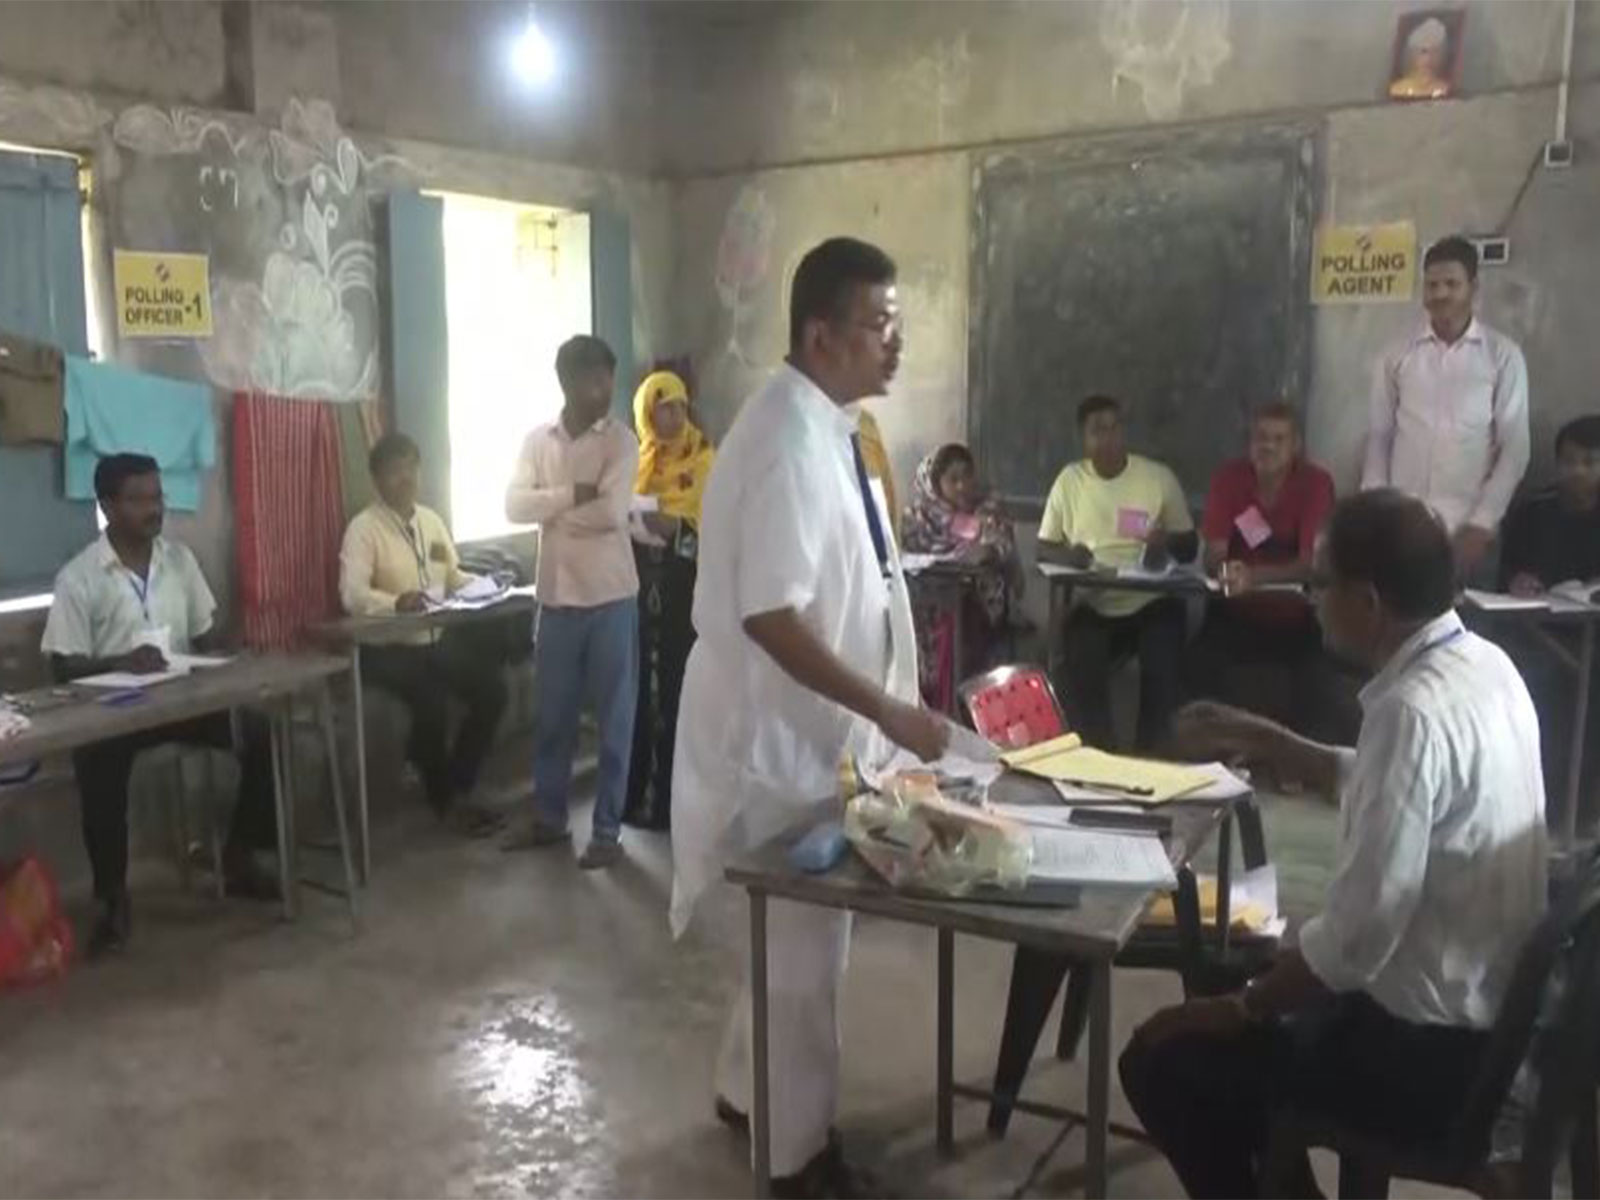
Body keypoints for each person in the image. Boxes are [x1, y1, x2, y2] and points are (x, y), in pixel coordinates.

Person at [1120, 489, 1547, 1199]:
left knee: (1162, 1059)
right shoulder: (1486, 665)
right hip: (1495, 1023)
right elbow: (1407, 790)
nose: (1311, 598)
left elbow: (1357, 939)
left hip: (1425, 1056)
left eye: (1321, 583)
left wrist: (1242, 1008)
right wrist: (1271, 739)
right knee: (1234, 962)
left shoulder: (1409, 712)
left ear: (1368, 602)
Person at [671, 236, 947, 1197]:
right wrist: (887, 709)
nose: (894, 343)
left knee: (783, 942)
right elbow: (771, 615)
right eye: (879, 326)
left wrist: (894, 702)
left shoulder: (826, 422)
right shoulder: (788, 443)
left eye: (897, 324)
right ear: (821, 334)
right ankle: (796, 1161)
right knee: (802, 962)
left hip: (817, 734)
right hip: (781, 743)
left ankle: (743, 1091)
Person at [41, 454, 280, 956]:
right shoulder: (79, 577)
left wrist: (230, 647)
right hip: (113, 713)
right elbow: (63, 667)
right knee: (97, 766)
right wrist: (122, 661)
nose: (153, 509)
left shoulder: (180, 561)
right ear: (107, 506)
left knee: (261, 733)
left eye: (157, 497)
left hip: (180, 704)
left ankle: (240, 854)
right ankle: (112, 899)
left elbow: (204, 637)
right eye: (138, 499)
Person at [503, 335, 639, 870]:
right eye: (593, 381)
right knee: (552, 718)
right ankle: (549, 818)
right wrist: (570, 495)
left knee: (614, 722)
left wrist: (552, 513)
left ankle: (607, 832)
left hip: (611, 599)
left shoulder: (620, 442)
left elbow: (612, 514)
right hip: (557, 600)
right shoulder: (539, 441)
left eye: (608, 380)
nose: (604, 391)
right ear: (566, 383)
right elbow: (513, 506)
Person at [338, 433, 509, 836]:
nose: (405, 478)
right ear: (376, 479)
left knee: (492, 690)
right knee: (430, 699)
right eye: (394, 471)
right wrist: (395, 603)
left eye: (411, 468)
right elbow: (352, 594)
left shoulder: (430, 521)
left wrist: (487, 584)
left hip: (432, 639)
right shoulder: (363, 529)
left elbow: (451, 575)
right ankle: (445, 802)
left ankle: (458, 783)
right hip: (385, 649)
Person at [1362, 235, 1530, 577]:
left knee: (1469, 612)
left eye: (1452, 284)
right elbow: (1379, 436)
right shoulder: (1396, 354)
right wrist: (1378, 511)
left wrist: (1482, 523)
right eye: (1432, 285)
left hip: (1469, 533)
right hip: (1404, 528)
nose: (1440, 294)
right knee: (1400, 611)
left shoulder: (1502, 355)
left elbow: (1515, 448)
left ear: (1473, 288)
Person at [1037, 394, 1198, 750]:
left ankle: (1149, 756)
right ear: (1083, 438)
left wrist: (1165, 541)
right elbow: (1043, 547)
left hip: (1151, 601)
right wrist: (1071, 556)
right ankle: (1100, 754)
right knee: (1079, 658)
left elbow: (1189, 547)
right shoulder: (1070, 481)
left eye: (1114, 428)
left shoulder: (1157, 478)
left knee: (1163, 656)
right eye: (1098, 431)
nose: (1108, 438)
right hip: (1094, 601)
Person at [1190, 403, 1354, 739]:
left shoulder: (1315, 483)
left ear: (1296, 446)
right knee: (1194, 667)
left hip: (1298, 616)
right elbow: (1213, 554)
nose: (1268, 446)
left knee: (1324, 684)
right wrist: (1226, 570)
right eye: (1261, 437)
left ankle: (1301, 760)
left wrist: (1254, 577)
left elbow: (1312, 564)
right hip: (1236, 612)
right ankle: (1206, 756)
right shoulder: (1229, 478)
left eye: (1279, 439)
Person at [1496, 414, 1600, 822]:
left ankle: (1582, 809)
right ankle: (1538, 802)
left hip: (1592, 632)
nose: (1578, 472)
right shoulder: (1533, 512)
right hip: (1538, 630)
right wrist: (1518, 581)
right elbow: (1507, 574)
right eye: (1570, 461)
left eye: (1590, 462)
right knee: (1535, 685)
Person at [624, 369, 714, 831]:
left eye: (680, 406)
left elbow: (720, 528)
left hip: (685, 595)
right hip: (637, 591)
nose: (674, 416)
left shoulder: (705, 460)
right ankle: (631, 796)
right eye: (663, 408)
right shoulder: (634, 463)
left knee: (677, 695)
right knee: (637, 692)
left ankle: (667, 804)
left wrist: (678, 528)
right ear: (646, 413)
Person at [901, 442, 1021, 710]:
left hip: (980, 611)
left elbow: (1000, 546)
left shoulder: (988, 509)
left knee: (972, 638)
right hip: (929, 615)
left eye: (967, 476)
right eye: (953, 479)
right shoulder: (918, 516)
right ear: (935, 484)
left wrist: (988, 551)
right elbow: (911, 549)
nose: (962, 486)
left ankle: (970, 712)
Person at [1388, 15, 1453, 100]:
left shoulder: (1446, 89)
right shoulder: (1398, 90)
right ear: (1413, 54)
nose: (1429, 59)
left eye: (1435, 52)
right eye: (1423, 51)